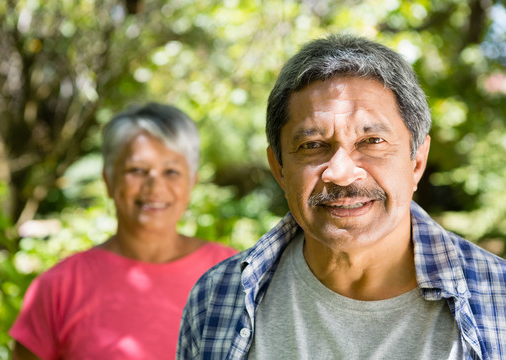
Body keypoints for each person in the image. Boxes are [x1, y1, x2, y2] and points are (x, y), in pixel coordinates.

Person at [177, 34, 506, 360]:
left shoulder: (498, 301)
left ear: (416, 162)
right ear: (279, 169)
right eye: (312, 146)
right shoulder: (216, 297)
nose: (341, 172)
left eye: (372, 141)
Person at [10, 102, 237, 360]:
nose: (154, 186)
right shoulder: (58, 288)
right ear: (108, 179)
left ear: (191, 182)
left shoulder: (234, 275)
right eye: (137, 170)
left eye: (171, 171)